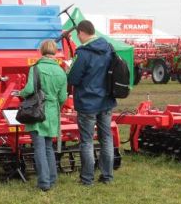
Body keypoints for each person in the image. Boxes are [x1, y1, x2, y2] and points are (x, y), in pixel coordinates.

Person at [67, 20, 116, 186]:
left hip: (87, 102)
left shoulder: (83, 53)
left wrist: (68, 70)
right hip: (106, 100)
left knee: (87, 141)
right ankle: (107, 176)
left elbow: (73, 78)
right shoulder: (108, 48)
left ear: (81, 32)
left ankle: (87, 179)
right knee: (106, 138)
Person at [19, 39, 68, 192]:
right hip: (52, 112)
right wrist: (54, 105)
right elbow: (63, 98)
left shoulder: (36, 69)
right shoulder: (61, 71)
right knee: (48, 147)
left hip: (38, 111)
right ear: (55, 52)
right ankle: (52, 179)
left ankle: (44, 183)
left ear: (42, 51)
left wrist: (20, 94)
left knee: (39, 147)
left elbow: (28, 90)